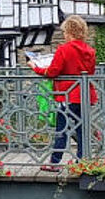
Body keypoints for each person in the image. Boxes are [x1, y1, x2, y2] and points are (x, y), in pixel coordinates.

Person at [25, 15, 97, 171]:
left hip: (67, 95)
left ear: (69, 32)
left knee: (61, 128)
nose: (64, 35)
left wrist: (35, 67)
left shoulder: (64, 49)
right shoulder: (90, 50)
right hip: (84, 93)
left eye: (65, 32)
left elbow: (52, 71)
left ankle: (55, 162)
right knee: (81, 128)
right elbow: (90, 71)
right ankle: (83, 161)